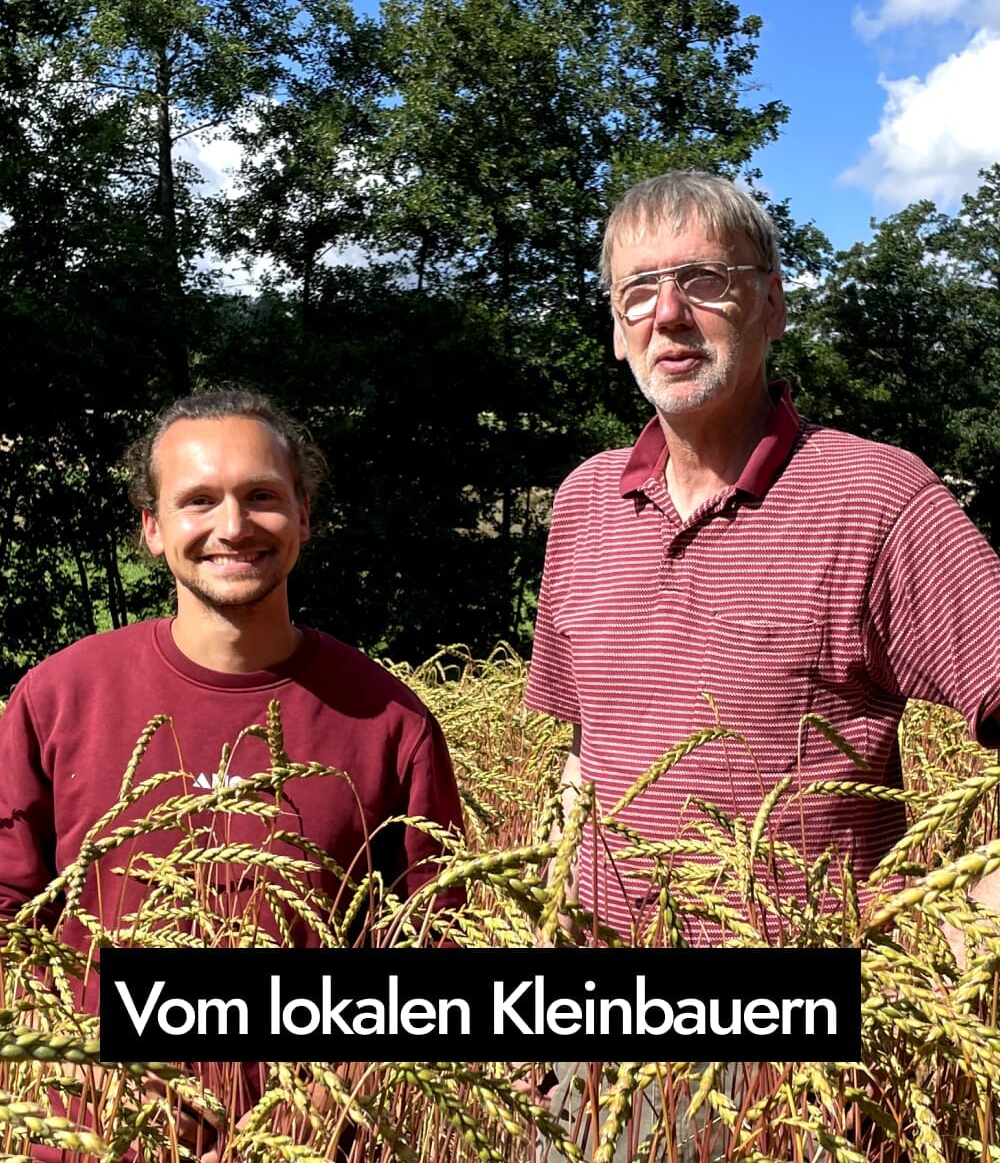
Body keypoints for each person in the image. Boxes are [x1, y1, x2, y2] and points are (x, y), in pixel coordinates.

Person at [524, 170, 1000, 1156]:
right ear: (614, 330)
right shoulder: (579, 503)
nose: (668, 315)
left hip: (796, 1063)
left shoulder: (879, 497)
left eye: (705, 281)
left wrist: (958, 932)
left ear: (773, 302)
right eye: (636, 293)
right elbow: (585, 755)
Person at [0, 388, 465, 1159]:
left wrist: (319, 1100)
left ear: (304, 514)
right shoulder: (57, 698)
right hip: (93, 1135)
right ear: (152, 528)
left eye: (261, 497)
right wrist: (97, 1071)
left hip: (313, 1141)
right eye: (198, 501)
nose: (233, 527)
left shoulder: (390, 723)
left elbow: (431, 954)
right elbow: (10, 920)